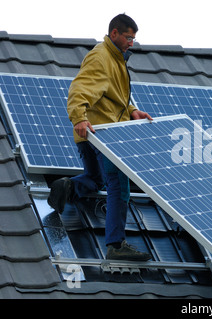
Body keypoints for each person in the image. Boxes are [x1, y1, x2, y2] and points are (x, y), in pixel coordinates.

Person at [47, 14, 153, 261]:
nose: (131, 43)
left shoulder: (116, 59)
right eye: (128, 37)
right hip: (102, 133)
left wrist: (131, 110)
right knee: (119, 186)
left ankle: (68, 187)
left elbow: (113, 96)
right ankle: (116, 245)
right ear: (114, 33)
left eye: (134, 39)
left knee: (96, 178)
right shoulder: (102, 56)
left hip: (93, 133)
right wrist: (79, 118)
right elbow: (80, 88)